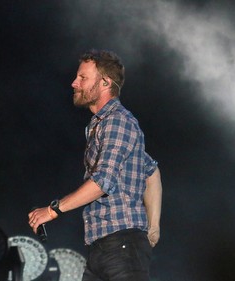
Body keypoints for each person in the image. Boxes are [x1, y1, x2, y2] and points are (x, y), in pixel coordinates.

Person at [28, 49, 162, 281]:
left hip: (121, 246)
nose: (74, 83)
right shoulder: (100, 126)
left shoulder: (118, 121)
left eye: (82, 77)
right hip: (103, 248)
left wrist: (52, 210)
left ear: (104, 82)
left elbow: (102, 181)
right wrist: (153, 227)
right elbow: (151, 171)